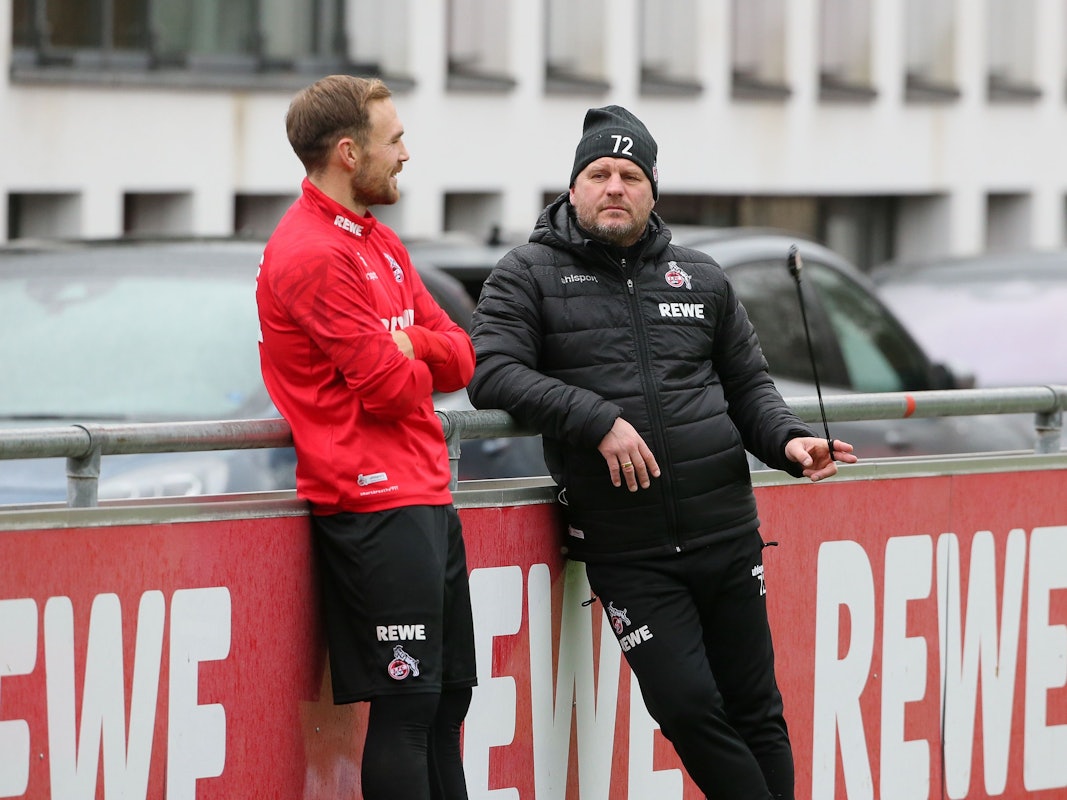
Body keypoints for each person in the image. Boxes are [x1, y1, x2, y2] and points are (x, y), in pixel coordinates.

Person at [467, 105, 858, 800]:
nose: (613, 186)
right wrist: (595, 419)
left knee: (757, 712)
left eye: (628, 174)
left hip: (726, 533)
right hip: (630, 550)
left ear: (651, 191)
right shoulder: (525, 272)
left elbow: (749, 390)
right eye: (598, 173)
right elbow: (492, 373)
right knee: (685, 707)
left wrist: (789, 440)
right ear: (573, 187)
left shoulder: (700, 277)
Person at [255, 75, 477, 800]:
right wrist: (416, 351)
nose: (406, 154)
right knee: (409, 709)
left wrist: (410, 343)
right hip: (371, 503)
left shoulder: (375, 242)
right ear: (348, 153)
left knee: (446, 703)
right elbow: (385, 388)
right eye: (395, 140)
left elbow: (462, 352)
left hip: (422, 491)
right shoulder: (314, 253)